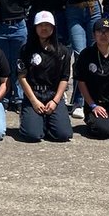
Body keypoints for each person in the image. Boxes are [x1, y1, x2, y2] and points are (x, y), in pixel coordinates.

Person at [60, 0, 102, 115]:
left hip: (93, 10)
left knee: (95, 52)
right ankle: (78, 100)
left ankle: (92, 98)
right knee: (79, 53)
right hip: (74, 11)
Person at [16, 11, 73, 142]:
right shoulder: (26, 49)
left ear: (53, 28)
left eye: (48, 25)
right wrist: (34, 101)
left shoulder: (63, 51)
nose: (44, 28)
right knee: (32, 135)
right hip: (34, 95)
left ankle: (47, 121)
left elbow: (64, 78)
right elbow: (22, 77)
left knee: (63, 135)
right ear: (35, 27)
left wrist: (55, 101)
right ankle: (31, 119)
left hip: (53, 95)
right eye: (40, 25)